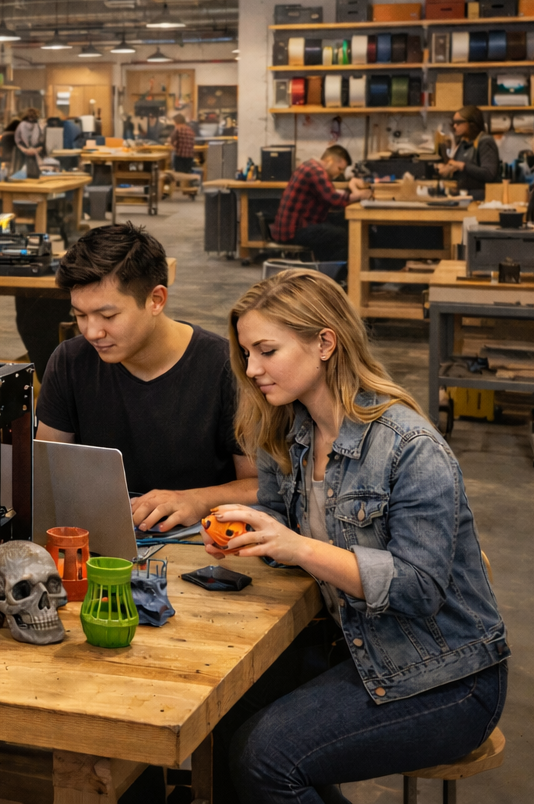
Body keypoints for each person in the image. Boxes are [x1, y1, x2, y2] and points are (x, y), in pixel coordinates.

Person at [214, 270, 507, 803]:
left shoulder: (410, 447)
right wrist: (250, 539)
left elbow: (418, 590)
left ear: (325, 342)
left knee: (265, 757)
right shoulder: (285, 431)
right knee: (224, 720)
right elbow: (287, 542)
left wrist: (294, 544)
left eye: (266, 350)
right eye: (247, 354)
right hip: (353, 646)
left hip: (446, 677)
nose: (252, 369)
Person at [35, 223, 257, 532]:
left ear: (156, 300)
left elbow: (261, 486)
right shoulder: (70, 362)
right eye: (80, 315)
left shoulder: (226, 368)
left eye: (108, 316)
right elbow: (47, 475)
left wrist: (196, 500)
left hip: (203, 542)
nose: (92, 332)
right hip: (100, 536)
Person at [270, 144, 372, 267]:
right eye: (339, 169)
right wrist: (360, 195)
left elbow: (328, 194)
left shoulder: (309, 166)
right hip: (294, 231)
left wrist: (352, 189)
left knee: (345, 220)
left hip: (299, 225)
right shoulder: (315, 170)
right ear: (330, 161)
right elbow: (333, 199)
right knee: (341, 236)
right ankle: (333, 277)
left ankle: (354, 271)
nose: (339, 173)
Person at [436, 105, 500, 199]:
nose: (455, 126)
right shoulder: (463, 143)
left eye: (459, 122)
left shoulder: (485, 142)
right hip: (464, 198)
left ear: (471, 123)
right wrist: (448, 170)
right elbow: (460, 170)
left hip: (481, 200)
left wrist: (461, 166)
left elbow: (489, 174)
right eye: (454, 123)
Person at [10, 108, 45, 178]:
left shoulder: (21, 125)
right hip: (34, 155)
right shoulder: (39, 125)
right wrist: (35, 150)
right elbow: (42, 142)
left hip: (22, 156)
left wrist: (25, 150)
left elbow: (17, 141)